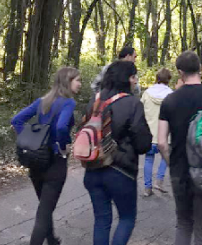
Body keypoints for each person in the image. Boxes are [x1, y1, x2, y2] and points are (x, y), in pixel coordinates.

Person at [157, 51, 202, 245]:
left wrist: (173, 163)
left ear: (180, 72)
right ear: (199, 68)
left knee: (183, 224)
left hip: (181, 172)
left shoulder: (170, 100)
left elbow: (162, 142)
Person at [83, 61, 152, 245]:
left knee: (101, 220)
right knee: (127, 218)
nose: (136, 81)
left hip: (92, 168)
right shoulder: (132, 103)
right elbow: (143, 144)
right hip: (120, 172)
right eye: (134, 77)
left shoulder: (94, 101)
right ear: (127, 79)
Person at [11, 67, 82, 245]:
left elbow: (16, 120)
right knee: (44, 212)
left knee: (45, 206)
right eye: (78, 80)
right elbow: (60, 127)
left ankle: (52, 240)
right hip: (54, 162)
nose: (80, 84)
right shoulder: (68, 103)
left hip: (35, 161)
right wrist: (64, 146)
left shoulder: (42, 101)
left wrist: (28, 139)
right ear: (68, 82)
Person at [141, 68, 173, 197]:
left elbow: (140, 112)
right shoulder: (171, 95)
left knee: (148, 159)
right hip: (165, 135)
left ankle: (147, 188)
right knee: (166, 158)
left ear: (157, 78)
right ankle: (159, 181)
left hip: (149, 134)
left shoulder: (147, 93)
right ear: (168, 80)